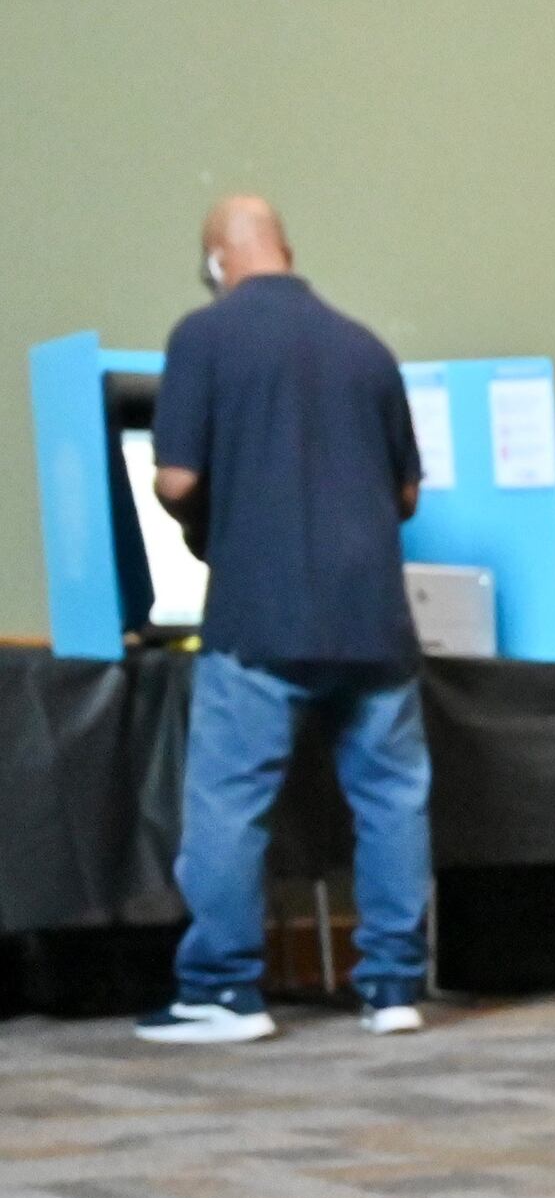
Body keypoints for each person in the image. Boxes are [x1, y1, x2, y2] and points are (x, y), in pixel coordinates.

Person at [134, 197, 432, 1046]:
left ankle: (225, 993)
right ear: (287, 250)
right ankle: (393, 989)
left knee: (230, 802)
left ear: (217, 259)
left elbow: (177, 481)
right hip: (374, 621)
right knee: (391, 801)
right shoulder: (366, 347)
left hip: (262, 615)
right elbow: (406, 493)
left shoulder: (205, 334)